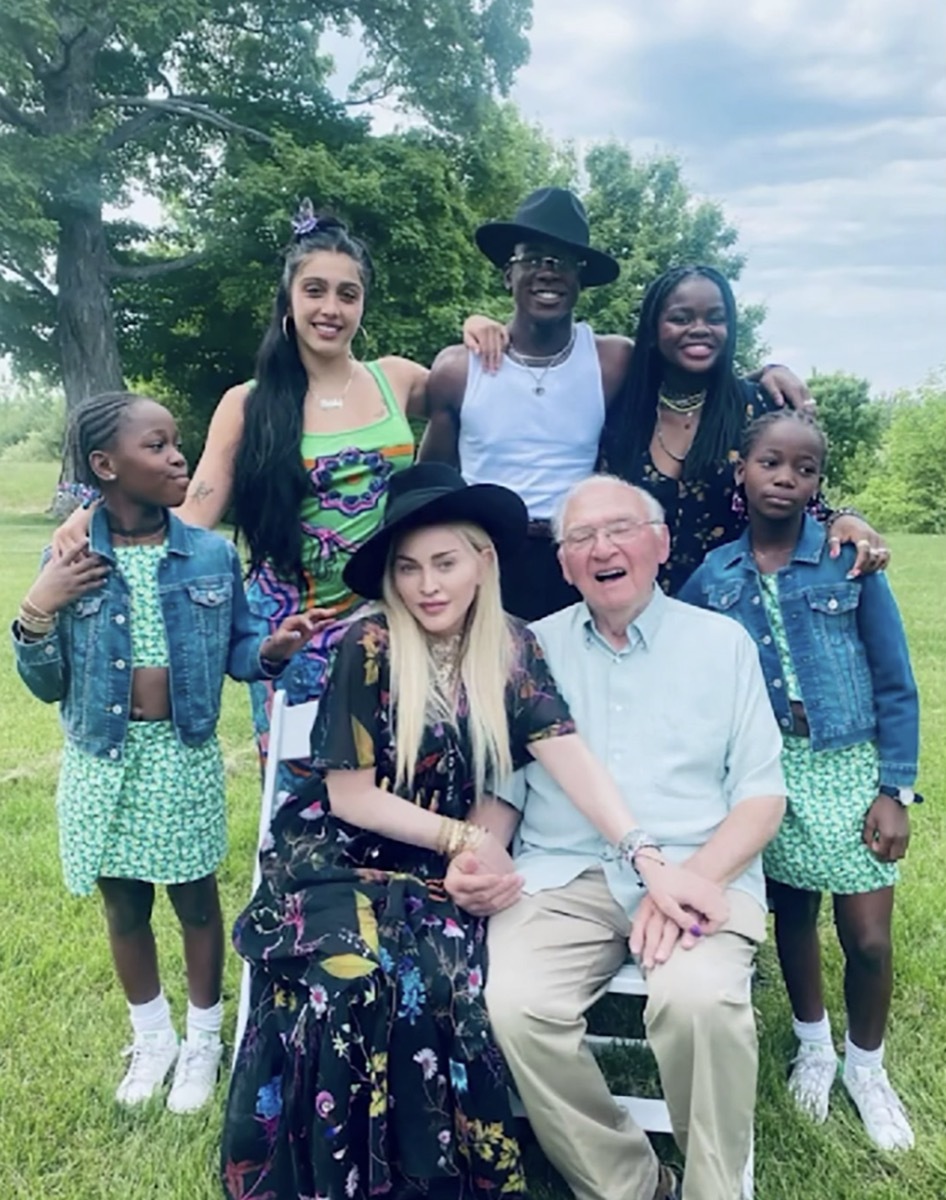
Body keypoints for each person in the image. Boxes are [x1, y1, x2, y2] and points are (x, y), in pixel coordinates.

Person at [221, 463, 729, 1200]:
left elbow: (551, 765)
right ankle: (347, 1176)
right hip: (338, 856)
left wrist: (642, 855)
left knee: (439, 976)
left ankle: (426, 1178)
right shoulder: (369, 646)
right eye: (408, 569)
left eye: (445, 563)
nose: (427, 585)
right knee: (356, 977)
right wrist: (464, 841)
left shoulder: (513, 650)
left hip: (440, 866)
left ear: (483, 562)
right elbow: (352, 797)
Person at [446, 473, 788, 1200]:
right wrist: (482, 852)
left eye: (621, 529)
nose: (602, 548)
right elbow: (506, 788)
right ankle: (627, 1182)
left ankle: (715, 1188)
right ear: (565, 564)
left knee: (699, 1003)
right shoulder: (531, 648)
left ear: (660, 544)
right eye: (580, 538)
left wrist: (687, 882)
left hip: (703, 871)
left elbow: (762, 795)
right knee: (514, 1004)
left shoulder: (721, 645)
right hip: (564, 874)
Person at [52, 201, 428, 793]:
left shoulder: (398, 379)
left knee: (394, 784)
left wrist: (480, 335)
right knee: (300, 793)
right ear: (288, 301)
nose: (331, 308)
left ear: (363, 304)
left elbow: (478, 392)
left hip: (390, 623)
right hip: (289, 632)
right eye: (315, 290)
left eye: (348, 294)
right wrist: (96, 507)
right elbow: (193, 510)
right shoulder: (249, 403)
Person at [11, 391, 317, 1114]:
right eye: (157, 445)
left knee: (195, 903)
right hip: (103, 761)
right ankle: (152, 1037)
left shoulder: (209, 552)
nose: (178, 456)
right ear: (105, 465)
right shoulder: (73, 557)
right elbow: (47, 680)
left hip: (180, 758)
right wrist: (38, 606)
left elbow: (241, 650)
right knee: (122, 906)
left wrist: (269, 652)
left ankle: (204, 1040)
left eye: (177, 441)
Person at [420, 190, 887, 617]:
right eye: (533, 259)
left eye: (563, 261)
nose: (548, 271)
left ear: (581, 278)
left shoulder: (610, 362)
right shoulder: (459, 370)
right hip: (491, 557)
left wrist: (766, 376)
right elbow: (431, 482)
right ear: (508, 273)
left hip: (583, 562)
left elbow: (695, 368)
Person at [679, 410, 920, 1152]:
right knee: (792, 916)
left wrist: (896, 787)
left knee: (869, 939)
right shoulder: (713, 575)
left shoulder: (852, 561)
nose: (786, 478)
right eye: (771, 464)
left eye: (805, 469)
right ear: (741, 470)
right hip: (767, 770)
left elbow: (896, 679)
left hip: (849, 766)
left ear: (818, 483)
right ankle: (814, 1045)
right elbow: (680, 664)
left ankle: (866, 1067)